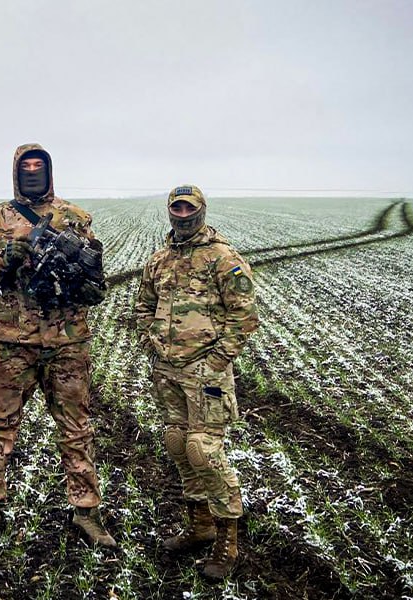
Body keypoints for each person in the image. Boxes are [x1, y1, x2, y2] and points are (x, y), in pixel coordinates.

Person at [0, 143, 116, 548]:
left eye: (39, 166)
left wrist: (81, 278)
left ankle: (87, 513)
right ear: (16, 171)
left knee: (76, 428)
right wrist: (6, 257)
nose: (33, 171)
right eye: (26, 166)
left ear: (49, 171)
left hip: (66, 342)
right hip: (10, 344)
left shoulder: (77, 218)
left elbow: (94, 280)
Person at [136, 185, 259, 579]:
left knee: (204, 450)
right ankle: (200, 526)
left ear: (202, 211)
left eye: (190, 208)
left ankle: (227, 540)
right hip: (168, 371)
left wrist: (219, 360)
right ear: (169, 212)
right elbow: (143, 305)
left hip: (205, 373)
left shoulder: (223, 259)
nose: (183, 214)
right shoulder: (159, 259)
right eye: (177, 208)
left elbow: (245, 316)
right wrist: (150, 344)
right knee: (178, 444)